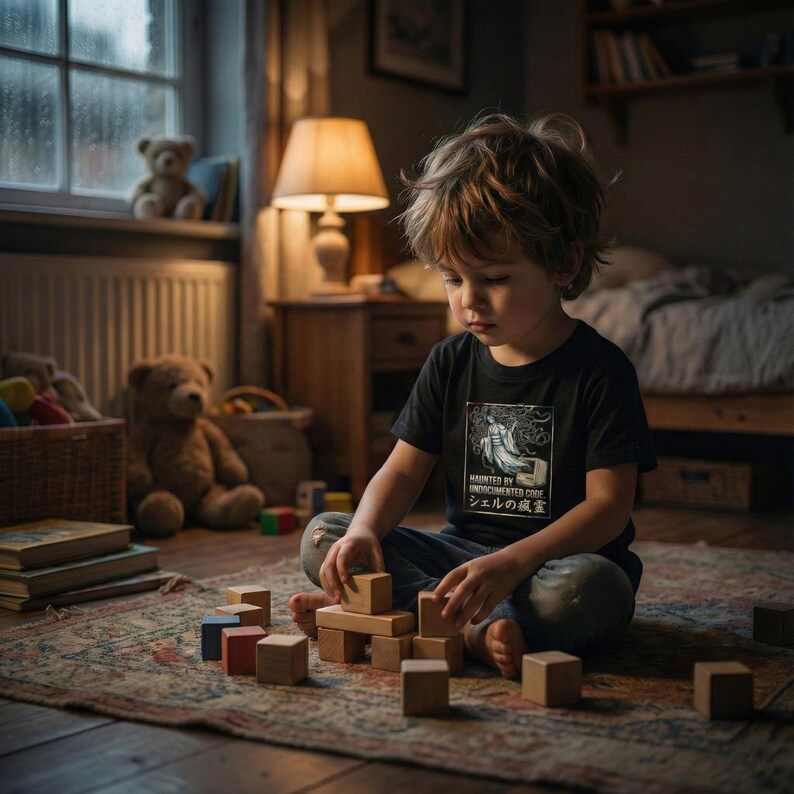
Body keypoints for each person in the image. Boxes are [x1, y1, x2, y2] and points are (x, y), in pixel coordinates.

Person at [289, 111, 656, 678]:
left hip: (554, 567)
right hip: (458, 560)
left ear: (564, 264)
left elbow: (609, 508)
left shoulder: (600, 370)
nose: (469, 302)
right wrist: (363, 530)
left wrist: (514, 564)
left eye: (495, 279)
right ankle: (464, 628)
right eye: (452, 279)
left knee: (595, 592)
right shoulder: (450, 359)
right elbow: (403, 472)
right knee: (326, 537)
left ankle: (398, 614)